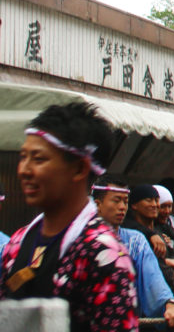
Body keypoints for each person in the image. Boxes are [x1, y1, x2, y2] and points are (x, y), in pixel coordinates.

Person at [0, 101, 138, 331]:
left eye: (38, 159)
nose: (24, 169)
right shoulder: (18, 242)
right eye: (23, 157)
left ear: (79, 169)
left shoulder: (103, 255)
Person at [92, 176, 174, 328]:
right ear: (98, 204)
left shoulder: (135, 241)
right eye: (116, 201)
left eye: (125, 201)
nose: (122, 207)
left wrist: (169, 304)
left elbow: (152, 276)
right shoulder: (82, 239)